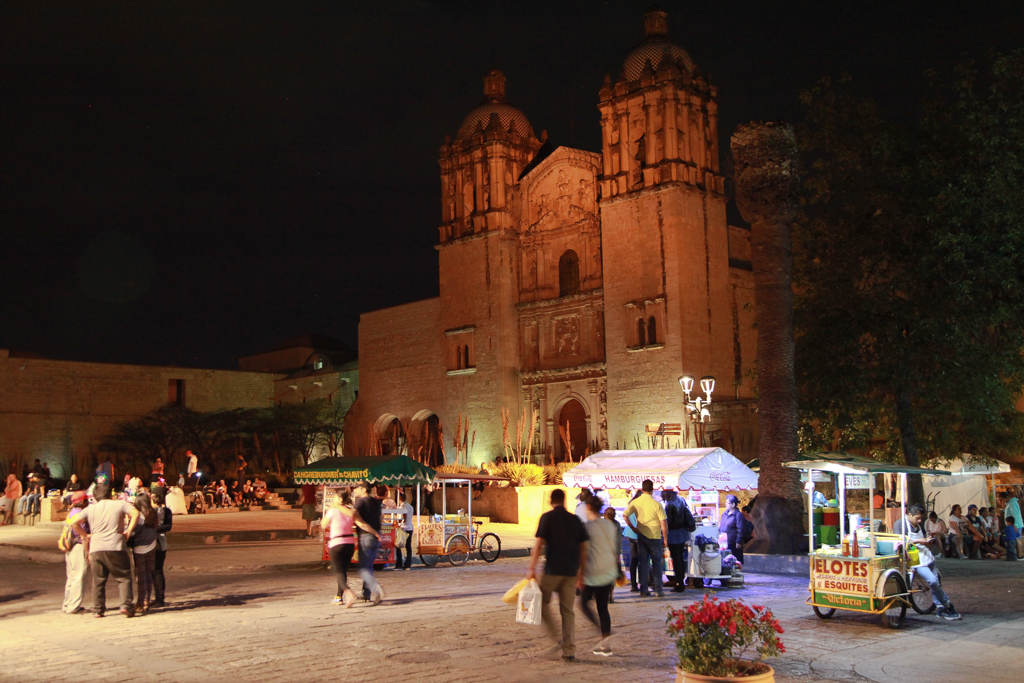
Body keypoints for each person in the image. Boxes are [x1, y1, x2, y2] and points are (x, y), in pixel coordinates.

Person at [527, 488, 589, 662]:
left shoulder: (547, 518)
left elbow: (539, 545)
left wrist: (531, 568)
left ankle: (558, 638)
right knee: (568, 611)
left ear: (550, 500)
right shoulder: (575, 520)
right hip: (570, 572)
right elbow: (583, 549)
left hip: (552, 571)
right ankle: (569, 649)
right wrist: (581, 574)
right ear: (564, 500)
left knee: (540, 604)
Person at [72, 482, 140, 617]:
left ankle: (98, 610)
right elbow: (135, 513)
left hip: (96, 547)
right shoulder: (120, 504)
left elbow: (74, 523)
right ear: (110, 494)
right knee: (123, 577)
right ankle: (125, 605)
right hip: (116, 545)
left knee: (98, 580)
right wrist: (128, 531)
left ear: (95, 497)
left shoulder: (90, 508)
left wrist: (85, 535)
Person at [893, 504, 961, 620]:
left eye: (921, 518)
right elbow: (899, 541)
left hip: (927, 556)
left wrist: (928, 541)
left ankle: (939, 608)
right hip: (915, 559)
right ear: (910, 515)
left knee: (936, 583)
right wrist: (920, 540)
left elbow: (924, 536)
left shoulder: (919, 525)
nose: (919, 521)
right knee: (933, 581)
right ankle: (947, 604)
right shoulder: (900, 524)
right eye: (917, 518)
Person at [323, 489, 378, 607]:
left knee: (339, 571)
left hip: (336, 543)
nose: (334, 500)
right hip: (349, 543)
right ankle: (338, 596)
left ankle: (348, 593)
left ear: (340, 499)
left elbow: (323, 524)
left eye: (335, 498)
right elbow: (362, 524)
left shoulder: (333, 510)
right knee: (343, 570)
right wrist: (375, 533)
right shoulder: (351, 512)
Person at [580, 496, 618, 657]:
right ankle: (605, 643)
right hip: (609, 571)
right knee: (603, 607)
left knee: (583, 604)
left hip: (594, 573)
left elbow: (584, 551)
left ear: (588, 507)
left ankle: (601, 632)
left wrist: (579, 573)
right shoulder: (609, 525)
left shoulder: (587, 527)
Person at [624, 481, 666, 597]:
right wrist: (665, 539)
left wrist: (633, 527)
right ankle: (658, 589)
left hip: (641, 536)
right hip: (655, 536)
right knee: (657, 563)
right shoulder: (656, 504)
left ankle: (644, 589)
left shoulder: (635, 502)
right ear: (652, 489)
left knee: (643, 563)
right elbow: (663, 522)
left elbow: (625, 515)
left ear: (642, 489)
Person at [354, 483, 386, 605]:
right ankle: (365, 593)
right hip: (375, 536)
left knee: (363, 568)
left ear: (363, 489)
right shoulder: (376, 502)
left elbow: (356, 518)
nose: (355, 490)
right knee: (369, 567)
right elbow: (380, 519)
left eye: (356, 488)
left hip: (365, 536)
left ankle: (376, 588)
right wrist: (378, 532)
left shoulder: (360, 502)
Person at [62, 491, 91, 614]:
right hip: (79, 547)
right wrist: (88, 553)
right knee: (79, 577)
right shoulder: (81, 516)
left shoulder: (71, 513)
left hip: (70, 547)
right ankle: (74, 606)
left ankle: (67, 604)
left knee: (71, 577)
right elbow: (83, 537)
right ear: (83, 502)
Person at [131, 495, 159, 614]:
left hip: (139, 548)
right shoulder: (153, 513)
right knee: (148, 574)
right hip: (152, 545)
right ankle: (147, 600)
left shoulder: (139, 517)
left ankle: (140, 603)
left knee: (141, 577)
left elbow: (132, 532)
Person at [662, 490, 693, 592]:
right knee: (680, 558)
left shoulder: (669, 505)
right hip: (683, 533)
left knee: (676, 559)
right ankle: (681, 581)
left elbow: (669, 521)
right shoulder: (681, 500)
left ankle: (679, 583)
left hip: (673, 535)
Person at [151, 489, 172, 608]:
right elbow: (168, 526)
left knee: (156, 571)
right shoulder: (167, 511)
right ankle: (159, 597)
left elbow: (168, 527)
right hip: (161, 542)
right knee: (156, 570)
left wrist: (153, 529)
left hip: (156, 542)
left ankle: (159, 598)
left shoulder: (151, 511)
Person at [623, 490, 642, 592]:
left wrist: (631, 527)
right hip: (640, 534)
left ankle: (634, 585)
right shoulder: (641, 506)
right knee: (642, 560)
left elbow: (625, 516)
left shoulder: (631, 504)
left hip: (631, 534)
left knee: (633, 560)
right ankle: (642, 584)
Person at [603, 507, 623, 604]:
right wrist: (618, 553)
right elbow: (619, 540)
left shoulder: (601, 524)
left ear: (604, 515)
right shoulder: (617, 524)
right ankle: (611, 596)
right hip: (613, 553)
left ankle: (605, 596)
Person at [719, 495, 745, 563]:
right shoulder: (724, 514)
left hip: (733, 544)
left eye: (727, 503)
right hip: (724, 544)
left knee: (735, 562)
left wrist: (739, 541)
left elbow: (741, 529)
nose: (725, 504)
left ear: (733, 504)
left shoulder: (738, 515)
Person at [394, 492, 414, 570]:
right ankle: (408, 564)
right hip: (410, 527)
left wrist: (398, 523)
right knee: (408, 547)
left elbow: (403, 518)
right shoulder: (410, 506)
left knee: (397, 545)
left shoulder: (402, 507)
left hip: (404, 528)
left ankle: (399, 563)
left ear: (399, 499)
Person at [1000, 492, 1023, 557]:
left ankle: (1020, 554)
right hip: (1013, 525)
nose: (1003, 501)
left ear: (1006, 497)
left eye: (1002, 499)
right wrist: (1004, 508)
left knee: (1017, 539)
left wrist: (1015, 524)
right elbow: (1009, 513)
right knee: (1015, 539)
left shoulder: (1012, 503)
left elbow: (1014, 514)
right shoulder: (1010, 503)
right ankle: (1018, 554)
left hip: (1015, 525)